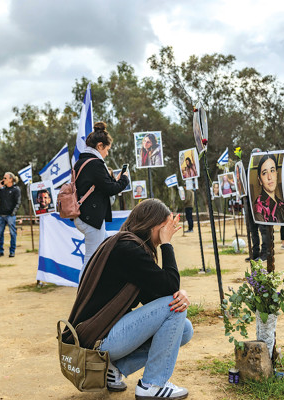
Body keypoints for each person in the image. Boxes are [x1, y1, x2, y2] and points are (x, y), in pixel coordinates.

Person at [63, 199, 192, 398]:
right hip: (97, 342)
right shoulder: (128, 249)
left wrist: (177, 294)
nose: (169, 232)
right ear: (154, 225)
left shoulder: (127, 245)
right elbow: (169, 290)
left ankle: (113, 370)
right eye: (166, 227)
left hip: (102, 335)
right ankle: (152, 385)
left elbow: (156, 295)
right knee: (174, 308)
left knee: (184, 329)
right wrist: (167, 245)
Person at [74, 121, 130, 273]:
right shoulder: (95, 164)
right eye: (107, 150)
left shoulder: (81, 162)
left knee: (107, 248)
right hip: (92, 219)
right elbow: (111, 189)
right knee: (91, 260)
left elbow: (103, 186)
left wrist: (115, 180)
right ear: (100, 146)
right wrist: (124, 179)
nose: (107, 154)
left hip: (85, 216)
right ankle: (84, 293)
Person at [253, 153, 284, 223]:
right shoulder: (258, 206)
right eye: (264, 173)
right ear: (260, 180)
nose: (269, 177)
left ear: (277, 174)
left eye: (272, 171)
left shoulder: (281, 204)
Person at [0, 172, 21, 257]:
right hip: (1, 215)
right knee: (0, 234)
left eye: (5, 178)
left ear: (11, 179)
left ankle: (12, 251)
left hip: (10, 215)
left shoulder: (16, 189)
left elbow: (18, 202)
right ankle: (0, 251)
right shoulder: (3, 189)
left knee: (12, 233)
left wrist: (13, 212)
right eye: (3, 178)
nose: (3, 179)